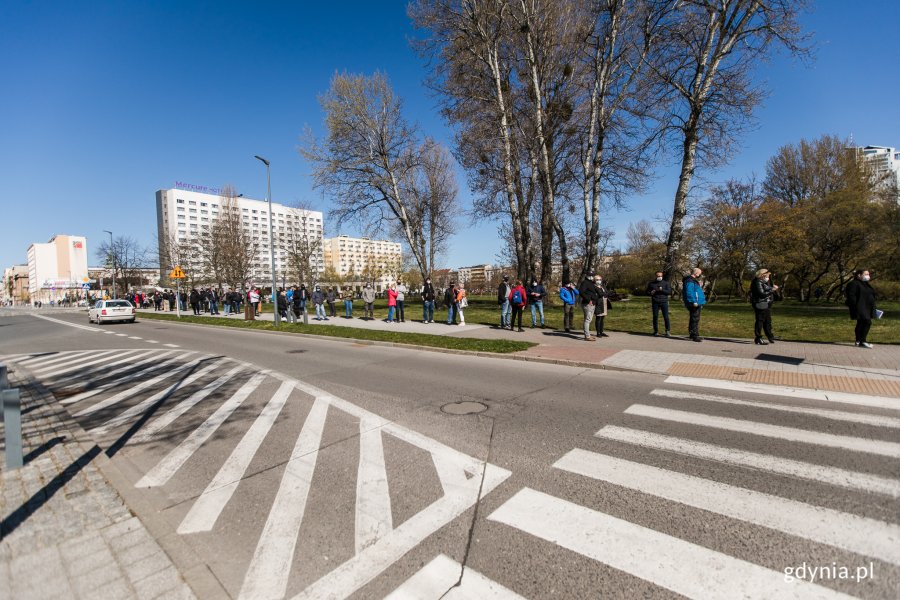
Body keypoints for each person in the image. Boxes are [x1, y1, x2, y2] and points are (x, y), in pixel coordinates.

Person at [845, 269, 878, 349]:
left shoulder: (866, 284)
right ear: (859, 275)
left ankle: (858, 340)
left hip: (867, 307)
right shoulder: (853, 284)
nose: (868, 276)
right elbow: (851, 296)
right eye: (866, 274)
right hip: (860, 307)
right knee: (867, 322)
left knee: (861, 323)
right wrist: (855, 306)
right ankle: (863, 341)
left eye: (868, 274)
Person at [749, 268, 780, 345]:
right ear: (762, 275)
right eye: (767, 276)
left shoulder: (762, 282)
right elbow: (762, 294)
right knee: (760, 321)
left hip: (765, 304)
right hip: (760, 303)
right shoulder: (757, 282)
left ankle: (770, 336)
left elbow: (767, 289)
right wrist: (772, 290)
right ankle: (758, 337)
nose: (768, 278)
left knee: (767, 320)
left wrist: (772, 288)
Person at [682, 268, 706, 342]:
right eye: (699, 273)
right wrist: (693, 301)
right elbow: (689, 291)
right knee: (694, 318)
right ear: (696, 273)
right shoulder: (690, 280)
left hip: (697, 302)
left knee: (694, 318)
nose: (700, 274)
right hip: (694, 302)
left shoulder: (692, 280)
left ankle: (693, 334)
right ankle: (694, 335)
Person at [646, 271, 673, 337]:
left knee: (666, 317)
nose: (659, 277)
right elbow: (647, 292)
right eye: (658, 276)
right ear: (656, 276)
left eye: (660, 276)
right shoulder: (651, 283)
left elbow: (669, 292)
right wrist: (651, 292)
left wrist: (662, 290)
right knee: (655, 317)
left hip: (664, 302)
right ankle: (656, 331)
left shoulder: (666, 283)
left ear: (662, 276)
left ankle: (667, 331)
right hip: (655, 302)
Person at [578, 272, 600, 341]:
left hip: (592, 303)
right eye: (591, 276)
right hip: (587, 304)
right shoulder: (585, 283)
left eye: (593, 275)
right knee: (587, 320)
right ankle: (587, 336)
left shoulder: (591, 283)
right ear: (588, 276)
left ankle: (587, 335)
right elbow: (581, 292)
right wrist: (588, 300)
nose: (592, 277)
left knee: (589, 319)